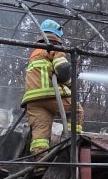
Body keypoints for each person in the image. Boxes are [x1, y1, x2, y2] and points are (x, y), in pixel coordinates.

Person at [21, 19, 84, 157]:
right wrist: (70, 80)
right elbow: (62, 69)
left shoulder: (35, 53)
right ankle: (69, 143)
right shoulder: (53, 48)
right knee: (76, 111)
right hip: (50, 94)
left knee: (40, 134)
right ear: (57, 36)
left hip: (32, 100)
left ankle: (40, 164)